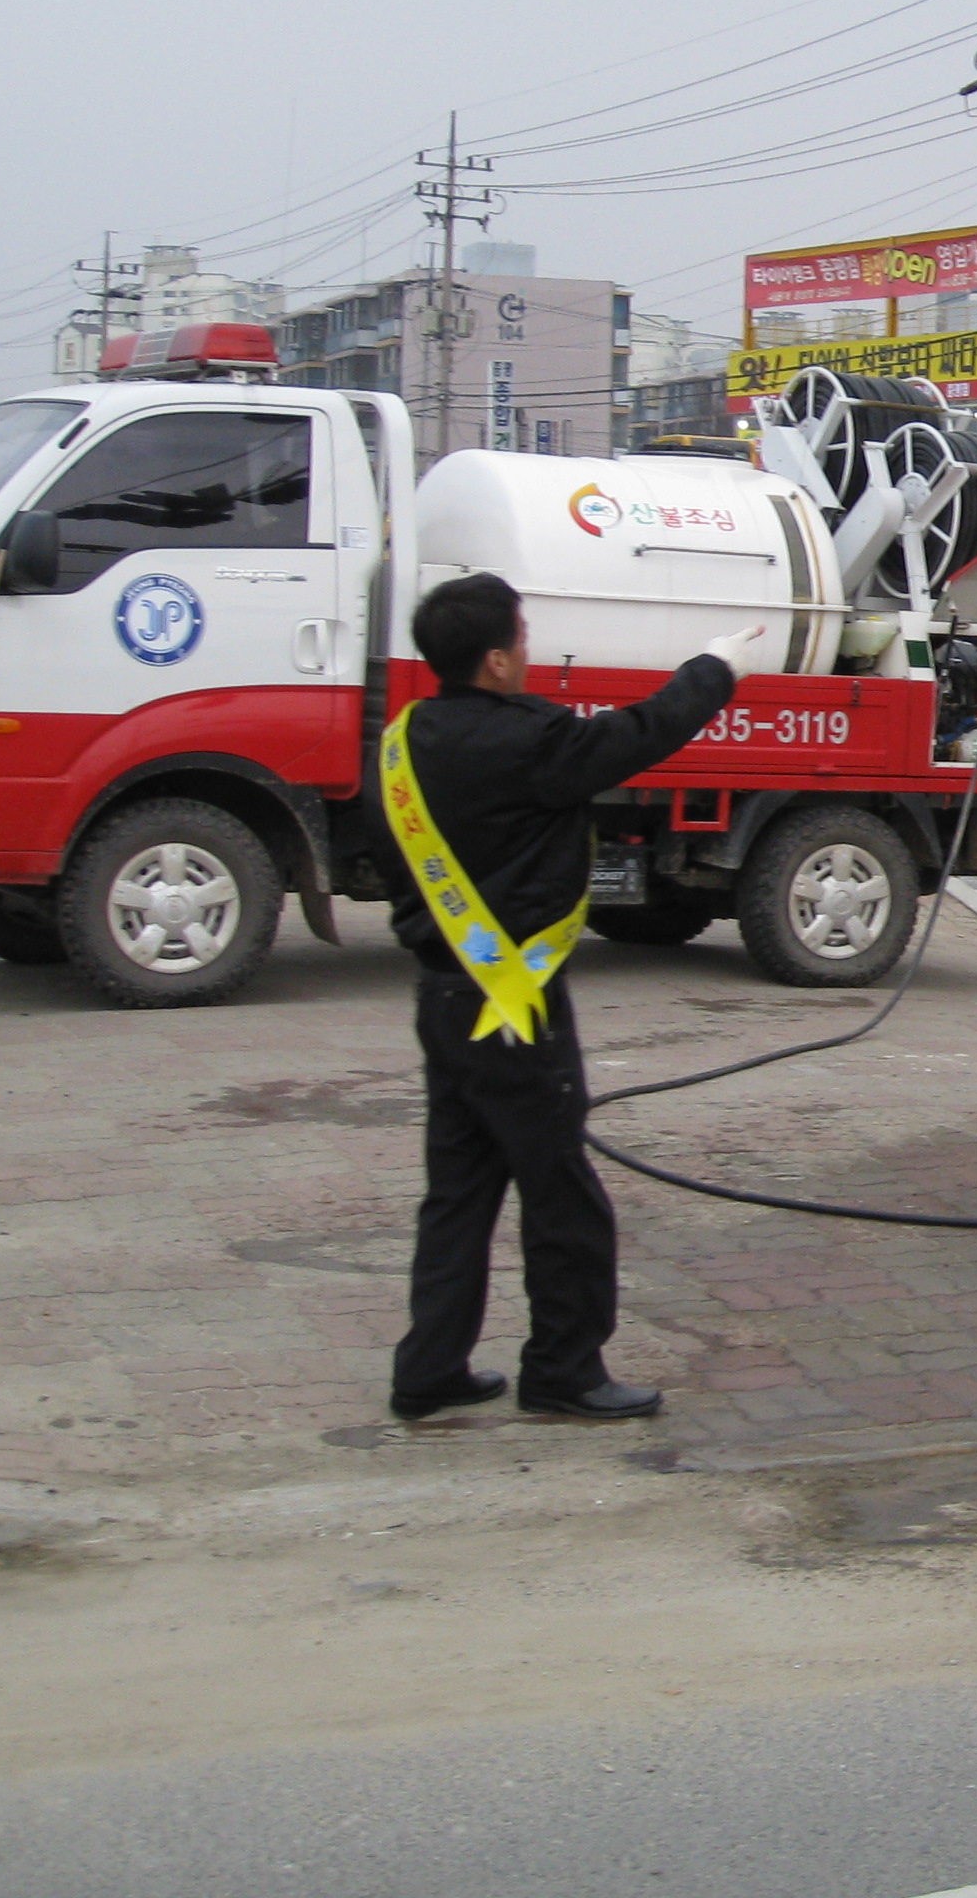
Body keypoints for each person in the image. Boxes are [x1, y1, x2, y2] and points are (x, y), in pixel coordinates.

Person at [379, 573, 764, 1422]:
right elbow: (639, 735)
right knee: (561, 1195)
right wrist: (714, 669)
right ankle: (564, 1368)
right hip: (512, 1008)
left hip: (442, 996)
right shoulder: (529, 743)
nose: (529, 649)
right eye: (520, 637)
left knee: (458, 1191)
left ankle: (429, 1366)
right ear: (493, 660)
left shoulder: (407, 739)